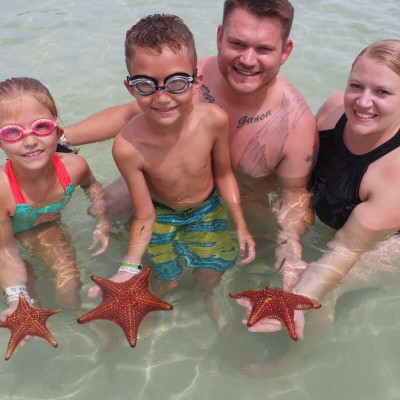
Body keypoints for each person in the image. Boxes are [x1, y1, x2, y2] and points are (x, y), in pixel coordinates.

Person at [63, 0, 318, 278]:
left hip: (239, 201)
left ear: (285, 51)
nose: (247, 59)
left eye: (264, 49)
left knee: (259, 258)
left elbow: (294, 197)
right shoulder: (183, 78)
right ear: (220, 37)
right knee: (106, 209)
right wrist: (59, 138)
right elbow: (128, 115)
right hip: (162, 189)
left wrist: (291, 247)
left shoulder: (296, 125)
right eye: (238, 44)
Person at [235, 39, 400, 376]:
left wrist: (297, 295)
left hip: (387, 244)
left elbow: (348, 247)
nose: (363, 101)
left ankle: (292, 362)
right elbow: (296, 184)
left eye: (382, 92)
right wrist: (291, 245)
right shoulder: (333, 110)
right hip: (330, 210)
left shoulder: (395, 172)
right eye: (356, 85)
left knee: (322, 288)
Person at [87, 14, 255, 331]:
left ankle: (208, 294)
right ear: (130, 87)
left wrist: (242, 224)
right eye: (145, 85)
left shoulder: (213, 120)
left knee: (210, 273)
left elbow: (224, 175)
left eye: (176, 83)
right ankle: (158, 303)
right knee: (168, 277)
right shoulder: (127, 147)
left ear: (197, 80)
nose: (162, 97)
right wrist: (127, 266)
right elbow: (145, 215)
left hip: (206, 209)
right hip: (160, 214)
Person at [0, 77, 112, 346]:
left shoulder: (74, 167)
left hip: (44, 226)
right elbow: (5, 250)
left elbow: (92, 186)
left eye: (41, 127)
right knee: (29, 299)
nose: (29, 141)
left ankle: (77, 313)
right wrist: (16, 295)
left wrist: (101, 218)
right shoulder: (3, 190)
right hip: (6, 237)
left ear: (57, 130)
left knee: (69, 288)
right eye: (12, 132)